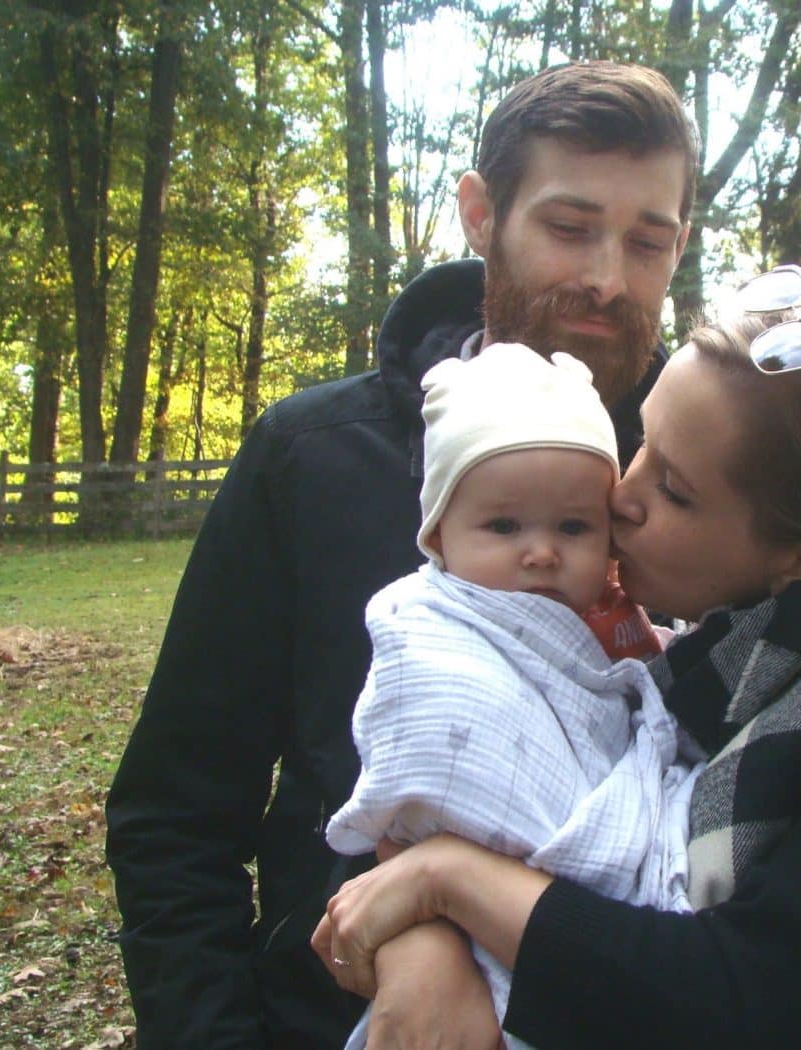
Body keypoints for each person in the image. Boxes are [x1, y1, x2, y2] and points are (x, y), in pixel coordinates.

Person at [105, 61, 698, 1048]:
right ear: (480, 214)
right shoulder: (314, 458)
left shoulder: (716, 483)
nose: (607, 277)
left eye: (648, 241)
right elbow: (177, 811)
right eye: (568, 226)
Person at [313, 294, 801, 1050]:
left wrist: (449, 881)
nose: (619, 497)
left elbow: (757, 1005)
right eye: (642, 443)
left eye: (673, 489)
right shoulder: (720, 658)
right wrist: (430, 941)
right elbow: (451, 793)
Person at [327, 343, 700, 1050]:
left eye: (574, 527)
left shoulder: (617, 624)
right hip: (475, 946)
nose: (542, 552)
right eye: (504, 526)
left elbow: (643, 707)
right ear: (438, 535)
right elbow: (429, 750)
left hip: (565, 937)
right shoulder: (429, 630)